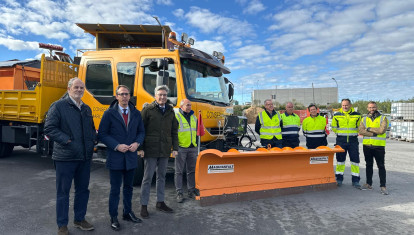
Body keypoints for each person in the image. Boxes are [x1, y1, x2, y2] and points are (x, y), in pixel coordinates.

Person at [44, 77, 96, 235]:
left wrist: (93, 140)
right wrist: (68, 141)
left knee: (82, 190)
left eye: (82, 88)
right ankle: (62, 225)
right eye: (76, 87)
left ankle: (79, 219)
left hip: (84, 158)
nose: (79, 90)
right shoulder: (58, 106)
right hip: (65, 157)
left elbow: (91, 129)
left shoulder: (86, 109)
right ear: (68, 89)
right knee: (63, 192)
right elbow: (49, 128)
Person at [98, 85, 145, 231]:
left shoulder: (136, 113)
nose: (124, 96)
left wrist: (137, 143)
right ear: (116, 96)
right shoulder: (109, 113)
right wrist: (116, 146)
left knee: (129, 188)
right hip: (116, 157)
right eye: (121, 94)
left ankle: (127, 212)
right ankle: (113, 216)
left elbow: (141, 132)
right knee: (115, 189)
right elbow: (102, 134)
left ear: (130, 96)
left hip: (131, 157)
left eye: (127, 94)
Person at [138, 85, 179, 219]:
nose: (162, 97)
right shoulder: (147, 110)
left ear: (167, 97)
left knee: (161, 177)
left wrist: (175, 148)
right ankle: (143, 206)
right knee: (147, 178)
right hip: (150, 150)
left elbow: (174, 131)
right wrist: (140, 148)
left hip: (165, 150)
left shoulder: (170, 111)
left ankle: (160, 203)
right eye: (160, 95)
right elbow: (140, 130)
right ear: (155, 96)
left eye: (164, 95)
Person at [359, 101, 389, 195]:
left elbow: (381, 130)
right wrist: (373, 132)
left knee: (381, 166)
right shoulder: (363, 119)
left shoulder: (383, 118)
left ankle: (383, 186)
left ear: (376, 107)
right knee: (368, 165)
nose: (372, 109)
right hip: (367, 146)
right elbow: (360, 131)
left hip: (379, 146)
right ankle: (368, 184)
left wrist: (368, 129)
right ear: (367, 108)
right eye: (370, 107)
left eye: (373, 107)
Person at [332, 98, 362, 188]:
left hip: (353, 141)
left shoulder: (357, 115)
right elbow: (333, 127)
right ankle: (339, 179)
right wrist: (340, 134)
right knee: (340, 161)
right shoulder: (337, 115)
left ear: (350, 105)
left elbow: (360, 127)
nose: (345, 106)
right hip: (341, 141)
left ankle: (356, 181)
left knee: (355, 161)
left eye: (346, 105)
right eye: (343, 105)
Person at [174, 99, 199, 203]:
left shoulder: (194, 117)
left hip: (192, 147)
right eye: (187, 105)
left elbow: (197, 132)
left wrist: (196, 145)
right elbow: (174, 133)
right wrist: (174, 148)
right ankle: (179, 192)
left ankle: (191, 190)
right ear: (181, 106)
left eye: (190, 105)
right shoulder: (176, 117)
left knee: (191, 171)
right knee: (179, 171)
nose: (189, 107)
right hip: (181, 147)